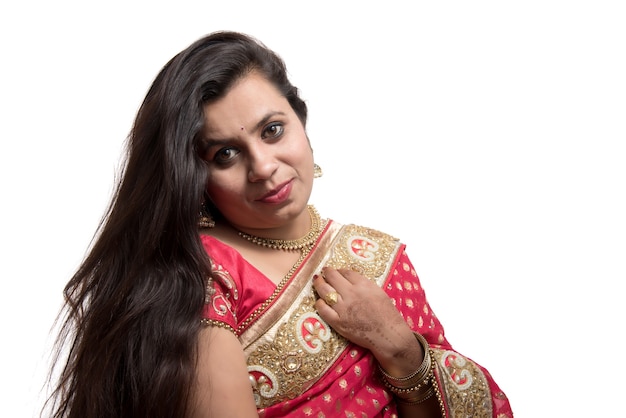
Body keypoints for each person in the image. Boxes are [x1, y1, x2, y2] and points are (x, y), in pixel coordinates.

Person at [46, 31, 513, 417]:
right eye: (225, 153)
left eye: (273, 130)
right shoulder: (200, 275)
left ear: (301, 121)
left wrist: (400, 350)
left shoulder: (378, 256)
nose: (264, 167)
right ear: (196, 176)